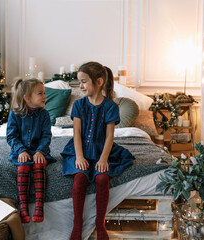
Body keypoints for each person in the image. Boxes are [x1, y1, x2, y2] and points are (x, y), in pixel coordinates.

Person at [61, 62, 135, 240]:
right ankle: (77, 224)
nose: (80, 86)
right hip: (80, 150)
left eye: (84, 81)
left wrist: (103, 160)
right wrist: (79, 156)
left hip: (103, 151)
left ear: (99, 81)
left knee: (102, 177)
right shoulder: (78, 105)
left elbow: (110, 136)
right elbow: (76, 132)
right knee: (80, 177)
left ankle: (100, 223)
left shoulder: (110, 106)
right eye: (80, 82)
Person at [7, 78, 55, 223]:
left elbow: (46, 136)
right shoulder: (14, 114)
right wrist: (21, 150)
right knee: (23, 168)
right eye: (40, 93)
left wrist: (40, 151)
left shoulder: (44, 115)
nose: (44, 96)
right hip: (20, 152)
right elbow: (11, 137)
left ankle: (39, 205)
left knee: (39, 166)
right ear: (27, 98)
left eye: (44, 93)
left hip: (39, 151)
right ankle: (23, 207)